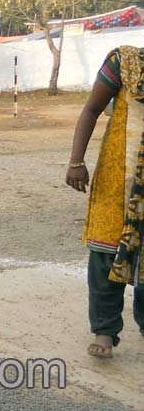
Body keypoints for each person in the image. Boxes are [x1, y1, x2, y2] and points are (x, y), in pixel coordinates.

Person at [65, 45, 144, 359]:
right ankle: (104, 330)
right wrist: (75, 161)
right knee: (105, 254)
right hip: (117, 178)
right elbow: (91, 109)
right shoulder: (124, 62)